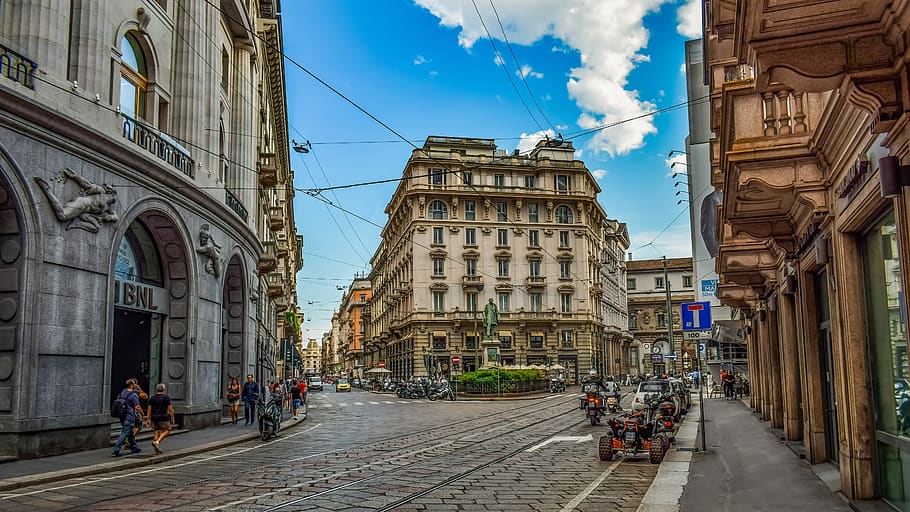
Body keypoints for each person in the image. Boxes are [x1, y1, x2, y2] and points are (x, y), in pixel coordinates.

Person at [112, 379, 142, 457]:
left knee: (130, 433)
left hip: (122, 416)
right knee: (125, 433)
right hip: (129, 416)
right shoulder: (134, 395)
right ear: (132, 385)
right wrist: (142, 414)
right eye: (135, 384)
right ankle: (116, 449)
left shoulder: (122, 393)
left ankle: (134, 447)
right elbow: (137, 407)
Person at [146, 383, 175, 454]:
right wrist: (172, 418)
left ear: (157, 389)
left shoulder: (152, 398)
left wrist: (148, 419)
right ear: (163, 389)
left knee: (156, 430)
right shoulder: (166, 397)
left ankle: (157, 448)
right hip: (163, 417)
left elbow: (149, 409)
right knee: (167, 430)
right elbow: (170, 409)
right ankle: (157, 442)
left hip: (154, 417)